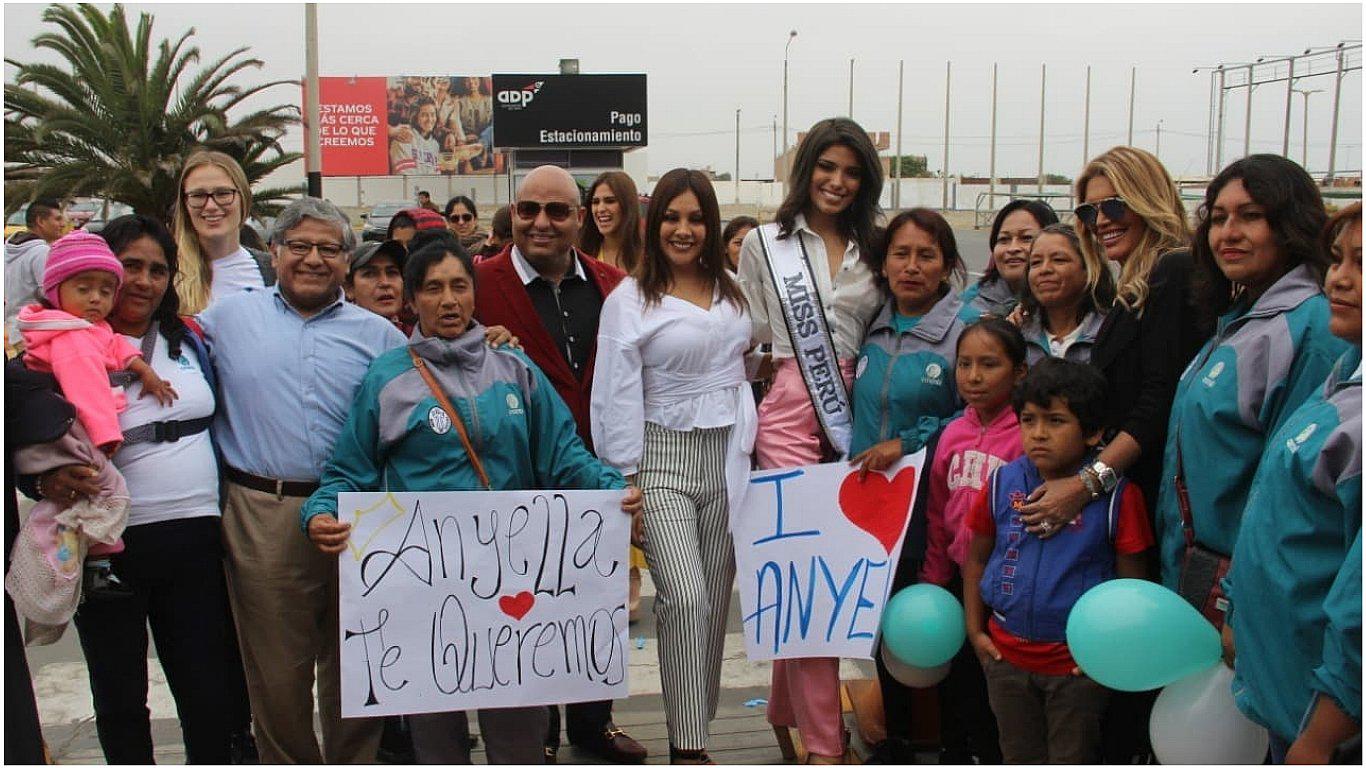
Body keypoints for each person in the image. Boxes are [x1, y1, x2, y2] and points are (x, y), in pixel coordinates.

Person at [300, 241, 644, 764]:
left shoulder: (515, 367)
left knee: (519, 728)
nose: (448, 300)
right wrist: (320, 512)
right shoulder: (387, 379)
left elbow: (562, 454)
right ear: (413, 300)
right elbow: (350, 470)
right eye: (433, 288)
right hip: (423, 589)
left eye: (459, 286)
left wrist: (608, 486)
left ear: (474, 293)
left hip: (512, 578)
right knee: (436, 736)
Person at [26, 215, 246, 763]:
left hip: (196, 541)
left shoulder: (191, 339)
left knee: (208, 690)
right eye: (131, 267)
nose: (144, 281)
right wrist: (42, 479)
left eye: (158, 270)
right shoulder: (51, 342)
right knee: (121, 697)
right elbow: (21, 436)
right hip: (109, 547)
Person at [1017, 146, 1206, 763]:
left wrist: (1088, 481)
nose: (1100, 221)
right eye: (1088, 210)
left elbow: (1156, 401)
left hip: (1147, 495)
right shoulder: (1136, 285)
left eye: (1114, 205)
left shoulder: (1172, 271)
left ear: (1149, 199)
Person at [200, 197, 405, 763]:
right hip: (264, 514)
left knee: (359, 663)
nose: (313, 259)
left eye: (329, 249)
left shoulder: (382, 337)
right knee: (277, 673)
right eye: (299, 246)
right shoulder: (226, 321)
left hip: (360, 517)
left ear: (345, 260)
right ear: (273, 252)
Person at [474, 164, 647, 764]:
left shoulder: (615, 285)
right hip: (516, 475)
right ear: (513, 214)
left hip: (596, 470)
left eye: (556, 211)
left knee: (597, 603)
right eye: (528, 210)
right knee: (527, 608)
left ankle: (594, 724)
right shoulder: (479, 283)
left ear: (580, 217)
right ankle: (538, 730)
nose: (541, 223)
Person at [591, 169, 754, 765]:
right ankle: (687, 749)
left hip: (728, 454)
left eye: (696, 218)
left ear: (711, 224)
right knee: (684, 598)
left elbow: (747, 358)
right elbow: (613, 392)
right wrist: (623, 479)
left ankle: (696, 732)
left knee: (711, 603)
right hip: (660, 458)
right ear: (652, 222)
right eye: (671, 217)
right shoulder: (630, 300)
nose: (683, 230)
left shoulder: (733, 289)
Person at [735, 117, 884, 764]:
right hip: (789, 413)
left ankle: (784, 711)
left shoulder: (876, 248)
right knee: (808, 579)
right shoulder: (763, 243)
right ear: (806, 170)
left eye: (851, 172)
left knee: (828, 572)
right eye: (827, 167)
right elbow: (749, 334)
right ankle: (827, 748)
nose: (838, 181)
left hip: (860, 414)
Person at [1154, 155, 1348, 594]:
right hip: (1194, 567)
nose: (1228, 233)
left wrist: (1244, 596)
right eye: (1218, 218)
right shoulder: (1243, 318)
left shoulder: (1311, 328)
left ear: (1291, 224)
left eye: (1251, 216)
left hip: (1242, 585)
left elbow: (1292, 488)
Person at [963, 358, 1154, 764]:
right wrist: (975, 631)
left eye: (1055, 421)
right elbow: (976, 558)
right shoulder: (1001, 483)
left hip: (1076, 669)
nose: (1038, 434)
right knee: (1017, 754)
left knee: (1073, 755)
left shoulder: (1120, 498)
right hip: (1004, 659)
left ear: (1094, 432)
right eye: (1028, 420)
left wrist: (1107, 656)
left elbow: (1132, 591)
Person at [1225, 202, 1362, 763]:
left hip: (1325, 726)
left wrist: (1322, 737)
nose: (1340, 278)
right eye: (1338, 259)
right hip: (1287, 696)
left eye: (1362, 263)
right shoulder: (1345, 373)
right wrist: (1238, 611)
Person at [845, 208, 971, 764]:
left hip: (934, 509)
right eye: (901, 254)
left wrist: (909, 442)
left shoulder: (965, 330)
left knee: (935, 621)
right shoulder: (870, 323)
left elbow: (977, 416)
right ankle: (896, 740)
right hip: (872, 510)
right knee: (884, 625)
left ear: (947, 265)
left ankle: (953, 745)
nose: (912, 266)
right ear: (884, 263)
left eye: (926, 255)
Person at [9, 231, 177, 632]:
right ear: (56, 290)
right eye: (83, 289)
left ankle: (91, 561)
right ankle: (74, 563)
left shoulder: (87, 328)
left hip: (77, 431)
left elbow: (115, 346)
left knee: (95, 495)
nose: (96, 299)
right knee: (104, 490)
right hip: (79, 431)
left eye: (105, 291)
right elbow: (88, 392)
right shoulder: (73, 340)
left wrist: (144, 371)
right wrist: (106, 438)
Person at [914, 318, 1027, 763]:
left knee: (996, 689)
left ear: (1020, 372)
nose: (974, 377)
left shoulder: (1025, 437)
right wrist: (934, 577)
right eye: (964, 364)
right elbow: (938, 510)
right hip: (958, 582)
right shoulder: (952, 434)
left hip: (1006, 588)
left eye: (989, 364)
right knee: (959, 682)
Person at [171, 150, 275, 315]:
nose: (211, 206)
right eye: (198, 195)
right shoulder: (167, 273)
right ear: (185, 203)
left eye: (223, 193)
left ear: (243, 197)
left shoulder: (274, 271)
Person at [1016, 223, 1116, 365]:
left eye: (1059, 260)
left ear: (1089, 269)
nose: (1044, 269)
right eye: (1036, 262)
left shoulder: (1112, 332)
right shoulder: (1016, 336)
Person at [961, 200, 1059, 322]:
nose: (1013, 248)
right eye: (1004, 239)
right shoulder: (965, 310)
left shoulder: (1070, 305)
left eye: (1026, 238)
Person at [5, 197, 67, 343]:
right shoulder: (41, 252)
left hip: (13, 330)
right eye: (58, 219)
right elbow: (49, 294)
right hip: (36, 333)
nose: (63, 224)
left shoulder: (7, 249)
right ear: (40, 221)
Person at [581, 171, 644, 273]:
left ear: (628, 205)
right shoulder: (582, 255)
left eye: (610, 201)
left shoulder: (649, 257)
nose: (600, 209)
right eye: (595, 202)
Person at [345, 240, 412, 335]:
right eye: (370, 274)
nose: (385, 283)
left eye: (392, 272)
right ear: (349, 288)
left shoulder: (416, 336)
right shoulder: (339, 337)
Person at [389, 97, 441, 175]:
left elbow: (436, 176)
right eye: (424, 115)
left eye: (433, 114)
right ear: (415, 117)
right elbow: (405, 176)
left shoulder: (435, 145)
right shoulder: (404, 136)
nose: (430, 119)